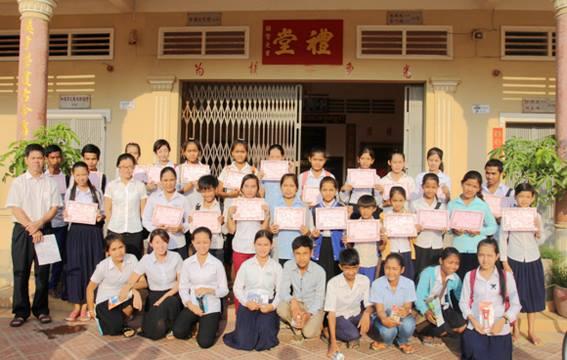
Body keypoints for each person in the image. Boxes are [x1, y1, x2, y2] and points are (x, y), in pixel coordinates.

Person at [6, 144, 62, 327]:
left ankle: (41, 310)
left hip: (45, 229)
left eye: (40, 158)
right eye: (33, 158)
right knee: (20, 271)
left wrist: (39, 224)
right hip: (23, 230)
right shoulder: (19, 182)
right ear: (26, 160)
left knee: (43, 273)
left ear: (44, 159)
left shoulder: (50, 183)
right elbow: (15, 207)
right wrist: (32, 227)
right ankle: (20, 311)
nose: (37, 161)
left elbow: (54, 208)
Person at [499, 183, 546, 345]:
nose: (524, 200)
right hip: (514, 258)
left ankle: (531, 330)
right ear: (515, 197)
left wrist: (538, 230)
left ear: (532, 198)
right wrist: (504, 261)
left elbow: (542, 239)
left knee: (533, 294)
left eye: (528, 196)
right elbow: (502, 239)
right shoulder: (509, 215)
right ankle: (515, 329)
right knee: (515, 294)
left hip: (533, 258)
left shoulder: (536, 216)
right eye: (521, 196)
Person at [459, 239, 521, 360]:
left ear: (497, 256)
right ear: (477, 255)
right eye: (481, 255)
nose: (485, 259)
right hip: (476, 329)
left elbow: (516, 304)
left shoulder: (506, 277)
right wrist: (473, 320)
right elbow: (463, 302)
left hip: (499, 330)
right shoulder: (470, 276)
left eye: (489, 255)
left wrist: (503, 320)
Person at [223, 230, 282, 351]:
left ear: (271, 245)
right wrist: (246, 303)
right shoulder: (246, 265)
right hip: (249, 303)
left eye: (266, 244)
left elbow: (281, 290)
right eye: (259, 244)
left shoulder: (276, 266)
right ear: (254, 245)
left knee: (265, 341)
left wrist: (272, 306)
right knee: (245, 342)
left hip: (267, 304)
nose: (262, 248)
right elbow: (237, 288)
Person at [121, 229, 183, 340]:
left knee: (169, 304)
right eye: (157, 242)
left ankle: (172, 326)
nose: (161, 245)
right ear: (151, 244)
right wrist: (134, 291)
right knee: (154, 331)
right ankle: (168, 326)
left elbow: (181, 282)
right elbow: (131, 281)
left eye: (164, 241)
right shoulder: (146, 259)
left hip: (173, 295)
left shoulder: (176, 257)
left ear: (168, 242)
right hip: (155, 296)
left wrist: (165, 297)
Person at [173, 227, 228, 348]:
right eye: (198, 242)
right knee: (178, 332)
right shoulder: (187, 263)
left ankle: (210, 324)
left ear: (210, 242)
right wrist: (190, 305)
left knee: (204, 343)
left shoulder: (217, 264)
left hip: (211, 306)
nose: (202, 246)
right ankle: (195, 324)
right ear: (192, 242)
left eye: (205, 242)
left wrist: (210, 290)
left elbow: (224, 290)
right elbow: (183, 287)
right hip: (193, 304)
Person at [64, 162, 105, 322]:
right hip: (75, 233)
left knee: (91, 266)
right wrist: (68, 214)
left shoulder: (96, 192)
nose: (81, 178)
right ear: (73, 176)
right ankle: (76, 306)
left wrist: (100, 217)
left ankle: (87, 306)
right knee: (75, 267)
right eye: (77, 175)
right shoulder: (70, 192)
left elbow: (102, 212)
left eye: (84, 174)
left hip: (93, 233)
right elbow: (66, 213)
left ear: (89, 173)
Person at [86, 234, 144, 337]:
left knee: (131, 302)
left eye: (121, 247)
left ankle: (122, 322)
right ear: (108, 252)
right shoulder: (103, 266)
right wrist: (91, 309)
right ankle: (111, 321)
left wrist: (132, 289)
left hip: (123, 296)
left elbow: (144, 282)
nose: (119, 252)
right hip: (106, 301)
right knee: (114, 330)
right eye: (114, 249)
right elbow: (90, 288)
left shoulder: (132, 258)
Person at [226, 174, 270, 304]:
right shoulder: (235, 203)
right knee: (241, 282)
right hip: (240, 247)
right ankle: (241, 312)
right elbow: (231, 229)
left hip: (258, 249)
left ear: (257, 188)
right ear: (241, 188)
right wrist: (230, 214)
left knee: (257, 282)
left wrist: (267, 215)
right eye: (246, 186)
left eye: (253, 186)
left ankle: (257, 310)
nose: (250, 189)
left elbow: (264, 230)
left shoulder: (262, 203)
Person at [448, 171, 498, 279]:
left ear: (479, 188)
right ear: (462, 184)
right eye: (468, 185)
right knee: (458, 282)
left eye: (474, 186)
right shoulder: (452, 204)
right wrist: (453, 230)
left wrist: (479, 231)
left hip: (477, 251)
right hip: (458, 250)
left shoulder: (482, 205)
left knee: (474, 282)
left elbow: (493, 227)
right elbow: (446, 227)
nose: (470, 189)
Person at [324, 248, 372, 357]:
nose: (351, 272)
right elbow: (331, 313)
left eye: (354, 268)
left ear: (359, 266)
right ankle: (328, 332)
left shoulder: (364, 280)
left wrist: (366, 313)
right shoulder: (333, 283)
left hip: (355, 316)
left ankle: (349, 333)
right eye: (347, 268)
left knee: (372, 323)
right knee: (353, 334)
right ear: (340, 267)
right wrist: (333, 342)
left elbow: (369, 305)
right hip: (338, 317)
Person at [277, 236, 326, 342]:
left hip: (313, 306)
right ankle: (295, 324)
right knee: (280, 307)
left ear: (311, 252)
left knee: (308, 333)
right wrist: (293, 302)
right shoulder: (288, 266)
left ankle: (308, 323)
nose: (301, 258)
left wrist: (309, 314)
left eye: (305, 253)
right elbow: (283, 291)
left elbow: (319, 298)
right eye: (298, 253)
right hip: (297, 303)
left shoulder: (320, 271)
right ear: (293, 253)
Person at [217, 139, 255, 269]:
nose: (240, 154)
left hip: (246, 215)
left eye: (243, 151)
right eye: (237, 151)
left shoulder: (252, 170)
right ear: (232, 153)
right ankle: (230, 279)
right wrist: (230, 195)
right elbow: (218, 191)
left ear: (247, 153)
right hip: (230, 211)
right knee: (229, 249)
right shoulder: (227, 170)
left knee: (243, 247)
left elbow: (258, 192)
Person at [415, 247, 465, 344]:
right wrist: (426, 311)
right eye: (450, 262)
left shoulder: (455, 278)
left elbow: (461, 296)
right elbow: (418, 296)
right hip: (428, 307)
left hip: (444, 308)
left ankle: (439, 330)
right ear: (441, 261)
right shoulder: (428, 273)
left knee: (462, 327)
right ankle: (424, 332)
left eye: (456, 263)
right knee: (443, 330)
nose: (453, 266)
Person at [370, 253, 417, 354]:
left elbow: (408, 306)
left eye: (395, 269)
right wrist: (384, 320)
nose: (390, 272)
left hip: (400, 316)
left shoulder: (409, 283)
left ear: (402, 269)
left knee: (409, 325)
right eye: (387, 268)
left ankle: (402, 341)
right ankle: (387, 340)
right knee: (388, 332)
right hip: (383, 315)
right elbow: (380, 310)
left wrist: (405, 311)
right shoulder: (377, 284)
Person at [105, 153, 148, 259]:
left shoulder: (140, 186)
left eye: (130, 167)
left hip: (135, 230)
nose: (127, 170)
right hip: (115, 230)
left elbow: (143, 211)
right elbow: (107, 209)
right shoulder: (112, 185)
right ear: (118, 167)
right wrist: (112, 226)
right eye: (124, 167)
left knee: (134, 261)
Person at [142, 166, 190, 259]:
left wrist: (181, 228)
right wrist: (156, 229)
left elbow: (190, 221)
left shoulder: (183, 200)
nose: (169, 183)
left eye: (172, 180)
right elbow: (145, 219)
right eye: (165, 180)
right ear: (161, 181)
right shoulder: (153, 198)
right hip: (157, 242)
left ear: (176, 180)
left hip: (177, 243)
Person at [270, 173, 313, 264]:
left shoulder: (304, 207)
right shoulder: (274, 206)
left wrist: (307, 232)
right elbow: (268, 229)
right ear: (280, 187)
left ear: (297, 188)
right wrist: (271, 229)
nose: (288, 189)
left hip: (299, 252)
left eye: (292, 186)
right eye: (285, 185)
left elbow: (310, 233)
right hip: (279, 251)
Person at [411, 173, 447, 279]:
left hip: (437, 244)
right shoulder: (415, 204)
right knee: (419, 273)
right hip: (420, 243)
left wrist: (444, 228)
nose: (430, 190)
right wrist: (415, 228)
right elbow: (410, 225)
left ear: (437, 188)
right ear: (422, 187)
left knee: (434, 274)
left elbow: (445, 228)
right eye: (427, 187)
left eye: (433, 187)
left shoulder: (442, 206)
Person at [311, 176, 346, 282]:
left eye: (331, 190)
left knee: (335, 274)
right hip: (321, 243)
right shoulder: (314, 208)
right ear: (320, 191)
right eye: (324, 190)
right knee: (321, 274)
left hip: (336, 243)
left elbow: (345, 230)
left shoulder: (341, 208)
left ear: (336, 191)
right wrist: (313, 234)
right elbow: (311, 229)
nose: (328, 193)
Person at [44, 144, 68, 296]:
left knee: (58, 255)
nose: (55, 160)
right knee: (46, 255)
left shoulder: (66, 178)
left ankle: (54, 285)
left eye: (58, 157)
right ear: (46, 159)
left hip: (61, 223)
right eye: (52, 158)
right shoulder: (42, 178)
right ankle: (44, 286)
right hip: (45, 223)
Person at [380, 186, 416, 280]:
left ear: (405, 200)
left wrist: (416, 230)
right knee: (390, 278)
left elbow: (414, 238)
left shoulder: (410, 216)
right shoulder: (384, 216)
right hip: (391, 250)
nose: (398, 203)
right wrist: (382, 232)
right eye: (395, 200)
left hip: (406, 250)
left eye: (401, 200)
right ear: (390, 201)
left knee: (406, 278)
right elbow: (381, 236)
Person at [188, 175, 224, 261]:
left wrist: (223, 223)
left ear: (215, 190)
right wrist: (190, 222)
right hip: (199, 247)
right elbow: (191, 229)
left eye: (210, 191)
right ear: (200, 191)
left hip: (216, 246)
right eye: (204, 191)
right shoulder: (196, 207)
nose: (207, 194)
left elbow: (227, 230)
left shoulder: (221, 207)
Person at [346, 195, 381, 282]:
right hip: (357, 261)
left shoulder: (378, 225)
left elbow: (381, 247)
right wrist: (347, 241)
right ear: (358, 209)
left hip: (371, 261)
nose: (365, 211)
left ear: (374, 209)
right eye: (362, 208)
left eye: (368, 208)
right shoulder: (354, 224)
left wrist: (384, 239)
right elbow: (350, 246)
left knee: (369, 286)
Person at [340, 147, 381, 213]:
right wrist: (343, 190)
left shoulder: (376, 177)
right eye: (362, 158)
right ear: (358, 159)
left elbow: (378, 200)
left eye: (368, 159)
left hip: (369, 205)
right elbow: (345, 198)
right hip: (354, 204)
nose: (365, 161)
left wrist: (381, 192)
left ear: (372, 161)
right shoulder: (352, 175)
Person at [177, 139, 211, 208]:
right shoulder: (179, 168)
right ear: (184, 153)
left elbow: (210, 190)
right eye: (189, 151)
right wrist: (184, 190)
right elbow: (173, 191)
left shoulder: (205, 169)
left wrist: (201, 188)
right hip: (183, 206)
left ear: (199, 152)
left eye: (194, 151)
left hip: (201, 206)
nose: (192, 154)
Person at [258, 144, 293, 210]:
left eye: (277, 157)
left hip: (283, 208)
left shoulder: (287, 173)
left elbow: (294, 191)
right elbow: (259, 194)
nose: (275, 159)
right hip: (267, 207)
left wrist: (291, 173)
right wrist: (259, 179)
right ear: (268, 157)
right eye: (272, 157)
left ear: (282, 157)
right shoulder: (263, 173)